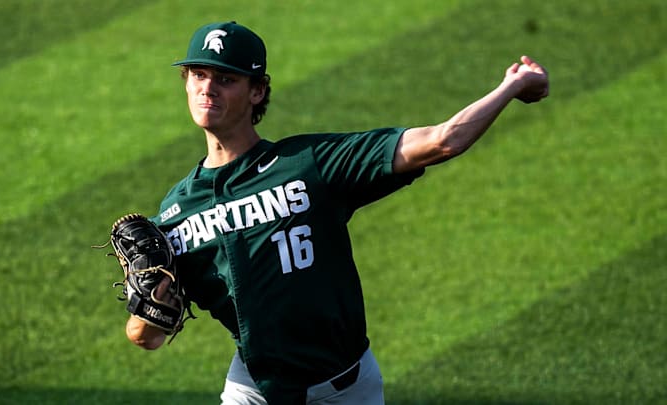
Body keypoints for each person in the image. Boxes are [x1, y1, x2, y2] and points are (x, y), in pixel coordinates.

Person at [124, 21, 549, 404]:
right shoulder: (178, 211)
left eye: (226, 78)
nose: (207, 88)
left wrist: (511, 87)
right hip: (255, 391)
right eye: (198, 75)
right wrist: (149, 306)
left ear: (257, 91)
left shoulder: (310, 164)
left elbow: (442, 141)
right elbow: (147, 337)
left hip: (347, 389)